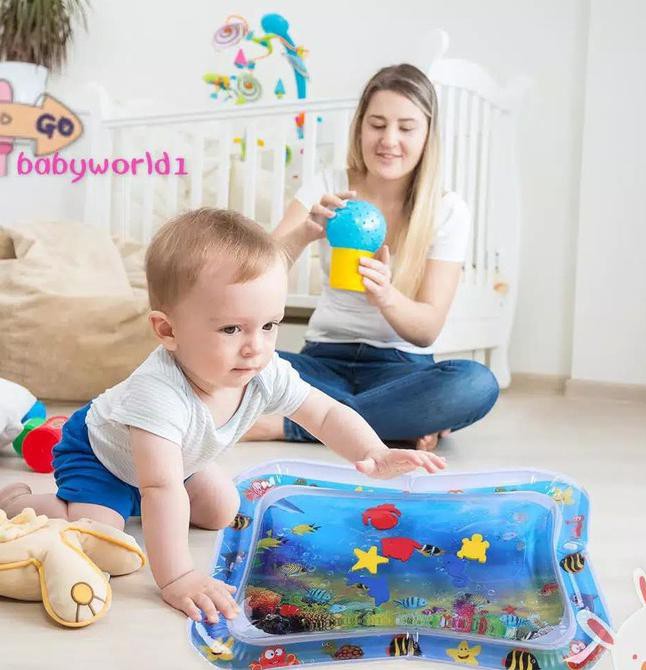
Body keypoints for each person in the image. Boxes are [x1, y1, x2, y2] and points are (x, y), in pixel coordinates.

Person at [0, 209, 445, 625]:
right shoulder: (158, 394)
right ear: (167, 330)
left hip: (174, 463)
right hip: (102, 457)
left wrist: (373, 451)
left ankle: (135, 503)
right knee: (101, 538)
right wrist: (177, 579)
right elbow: (160, 487)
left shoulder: (260, 369)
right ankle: (23, 502)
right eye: (232, 329)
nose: (255, 346)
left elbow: (324, 413)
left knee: (220, 510)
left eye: (269, 325)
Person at [243, 64, 499, 451]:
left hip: (400, 369)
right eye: (377, 124)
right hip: (322, 362)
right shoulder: (328, 185)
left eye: (406, 127)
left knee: (475, 383)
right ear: (360, 127)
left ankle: (290, 425)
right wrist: (306, 231)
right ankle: (391, 422)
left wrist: (386, 296)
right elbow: (257, 276)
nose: (389, 140)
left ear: (428, 134)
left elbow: (427, 329)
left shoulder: (447, 210)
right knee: (225, 358)